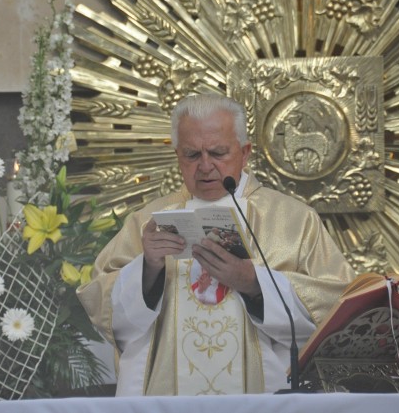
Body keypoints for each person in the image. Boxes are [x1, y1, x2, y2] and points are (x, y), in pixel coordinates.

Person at [77, 93, 355, 396]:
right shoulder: (148, 221)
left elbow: (337, 308)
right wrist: (147, 270)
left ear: (245, 152)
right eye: (192, 155)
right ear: (177, 156)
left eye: (218, 153)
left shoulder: (294, 220)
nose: (205, 166)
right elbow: (101, 306)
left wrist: (255, 284)